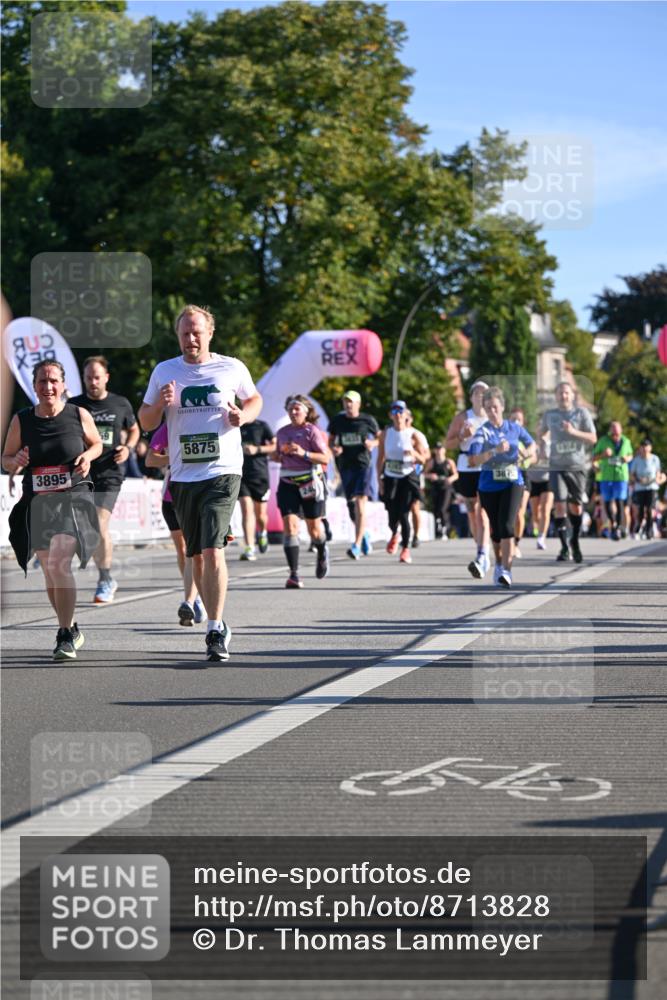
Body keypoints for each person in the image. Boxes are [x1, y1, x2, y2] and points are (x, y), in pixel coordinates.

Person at [139, 304, 262, 662]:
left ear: (210, 333)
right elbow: (145, 421)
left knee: (211, 548)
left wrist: (244, 415)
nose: (191, 338)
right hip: (182, 474)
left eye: (197, 332)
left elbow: (254, 399)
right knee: (195, 554)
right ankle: (217, 623)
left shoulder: (231, 367)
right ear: (177, 336)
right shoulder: (164, 371)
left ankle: (214, 628)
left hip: (222, 470)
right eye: (184, 333)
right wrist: (160, 405)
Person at [2, 360, 102, 660]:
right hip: (38, 501)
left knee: (59, 562)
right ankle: (71, 627)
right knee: (49, 569)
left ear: (63, 384)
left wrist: (87, 456)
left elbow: (97, 444)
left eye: (54, 381)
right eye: (42, 382)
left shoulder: (77, 414)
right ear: (34, 386)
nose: (48, 387)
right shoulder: (22, 420)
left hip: (73, 498)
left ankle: (62, 635)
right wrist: (15, 460)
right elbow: (6, 459)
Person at [69, 356, 140, 603]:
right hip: (82, 472)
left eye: (97, 377)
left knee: (99, 524)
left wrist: (129, 448)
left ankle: (105, 579)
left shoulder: (120, 403)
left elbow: (134, 429)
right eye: (88, 377)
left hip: (110, 471)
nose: (92, 382)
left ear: (106, 377)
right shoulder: (74, 405)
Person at [468, 387, 536, 588]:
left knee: (507, 524)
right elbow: (473, 460)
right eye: (488, 408)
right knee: (496, 531)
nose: (492, 412)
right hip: (489, 486)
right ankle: (497, 564)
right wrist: (492, 452)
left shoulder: (514, 428)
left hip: (513, 482)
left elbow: (532, 445)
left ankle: (506, 570)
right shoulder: (483, 432)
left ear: (502, 407)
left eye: (495, 407)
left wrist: (528, 454)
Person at [145, 422, 204, 626]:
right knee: (183, 550)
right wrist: (177, 456)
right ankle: (194, 596)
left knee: (194, 552)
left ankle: (189, 599)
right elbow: (150, 459)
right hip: (171, 498)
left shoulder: (207, 421)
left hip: (198, 493)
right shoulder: (168, 427)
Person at [273, 395, 332, 588]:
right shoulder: (282, 432)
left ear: (306, 412)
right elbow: (276, 456)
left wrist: (303, 453)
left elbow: (325, 458)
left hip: (310, 482)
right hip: (287, 482)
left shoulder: (311, 431)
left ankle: (322, 549)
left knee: (314, 530)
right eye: (291, 409)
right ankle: (294, 574)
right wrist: (278, 454)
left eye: (297, 408)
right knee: (290, 527)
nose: (293, 412)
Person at [538, 381, 597, 564]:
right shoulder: (550, 415)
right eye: (560, 393)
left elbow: (593, 438)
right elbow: (541, 433)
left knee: (576, 507)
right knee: (560, 505)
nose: (563, 396)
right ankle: (564, 547)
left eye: (566, 393)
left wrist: (573, 432)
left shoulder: (581, 413)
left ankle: (575, 541)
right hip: (556, 466)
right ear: (556, 396)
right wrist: (542, 445)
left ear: (572, 395)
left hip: (577, 466)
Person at [444, 380, 491, 579]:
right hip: (466, 468)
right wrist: (462, 436)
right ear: (471, 397)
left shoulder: (493, 416)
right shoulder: (463, 417)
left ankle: (483, 554)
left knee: (483, 512)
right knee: (472, 513)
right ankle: (480, 548)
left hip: (487, 468)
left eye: (484, 394)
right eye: (477, 394)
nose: (480, 397)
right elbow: (448, 443)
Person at [376, 400, 430, 564]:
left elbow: (423, 460)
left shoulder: (413, 434)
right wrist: (379, 479)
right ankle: (394, 534)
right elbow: (380, 457)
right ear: (390, 415)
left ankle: (405, 549)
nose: (398, 415)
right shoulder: (386, 433)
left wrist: (413, 452)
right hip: (391, 476)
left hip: (407, 477)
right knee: (392, 515)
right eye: (394, 412)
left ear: (406, 415)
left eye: (401, 412)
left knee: (404, 513)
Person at [328, 390, 379, 560]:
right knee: (351, 506)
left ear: (358, 404)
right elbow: (331, 440)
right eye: (346, 402)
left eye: (351, 402)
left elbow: (380, 438)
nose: (348, 405)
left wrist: (372, 443)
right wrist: (334, 449)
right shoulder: (337, 421)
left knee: (360, 502)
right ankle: (363, 535)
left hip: (363, 465)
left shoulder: (367, 420)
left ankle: (356, 545)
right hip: (345, 465)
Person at [239, 418, 276, 560]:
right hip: (241, 474)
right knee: (247, 510)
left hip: (259, 474)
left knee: (260, 515)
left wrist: (257, 449)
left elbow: (274, 445)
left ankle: (263, 532)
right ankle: (249, 547)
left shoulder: (262, 425)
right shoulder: (235, 424)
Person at [592, 421, 634, 540]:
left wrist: (627, 458)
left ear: (621, 430)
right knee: (607, 501)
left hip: (621, 476)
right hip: (606, 476)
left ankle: (619, 527)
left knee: (620, 501)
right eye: (613, 429)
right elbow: (594, 457)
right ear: (610, 430)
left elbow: (631, 455)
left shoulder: (626, 441)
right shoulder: (603, 441)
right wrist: (603, 455)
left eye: (617, 429)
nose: (615, 432)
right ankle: (613, 523)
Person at [630, 438, 665, 539]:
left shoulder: (655, 459)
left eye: (647, 446)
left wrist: (658, 479)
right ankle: (639, 526)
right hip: (640, 487)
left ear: (650, 448)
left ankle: (649, 530)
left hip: (651, 487)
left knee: (649, 509)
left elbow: (658, 472)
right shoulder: (637, 460)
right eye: (643, 446)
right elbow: (632, 474)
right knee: (640, 510)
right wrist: (638, 480)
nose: (645, 448)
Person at [508, 406, 532, 557]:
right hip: (506, 475)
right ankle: (506, 540)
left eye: (519, 419)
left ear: (523, 422)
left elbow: (534, 454)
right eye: (513, 419)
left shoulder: (525, 437)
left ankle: (516, 543)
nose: (516, 422)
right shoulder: (504, 435)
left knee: (520, 512)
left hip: (523, 473)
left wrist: (525, 455)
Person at [424, 442, 458, 539]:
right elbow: (424, 473)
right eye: (437, 449)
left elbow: (456, 474)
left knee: (443, 508)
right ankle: (438, 530)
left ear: (444, 450)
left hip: (446, 488)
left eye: (441, 449)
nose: (439, 451)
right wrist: (430, 476)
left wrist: (450, 479)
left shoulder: (449, 462)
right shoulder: (432, 462)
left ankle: (446, 529)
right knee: (436, 509)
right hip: (435, 487)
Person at [406, 409, 429, 547]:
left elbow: (426, 456)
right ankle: (400, 534)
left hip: (415, 474)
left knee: (414, 505)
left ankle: (415, 535)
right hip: (398, 474)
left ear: (411, 419)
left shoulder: (417, 434)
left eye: (408, 418)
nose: (406, 421)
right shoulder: (393, 433)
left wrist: (416, 456)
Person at [527, 436, 554, 549]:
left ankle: (542, 537)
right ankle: (538, 529)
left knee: (545, 509)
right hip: (533, 480)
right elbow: (532, 459)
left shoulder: (552, 444)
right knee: (536, 513)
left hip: (547, 480)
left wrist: (545, 444)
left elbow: (550, 457)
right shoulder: (532, 443)